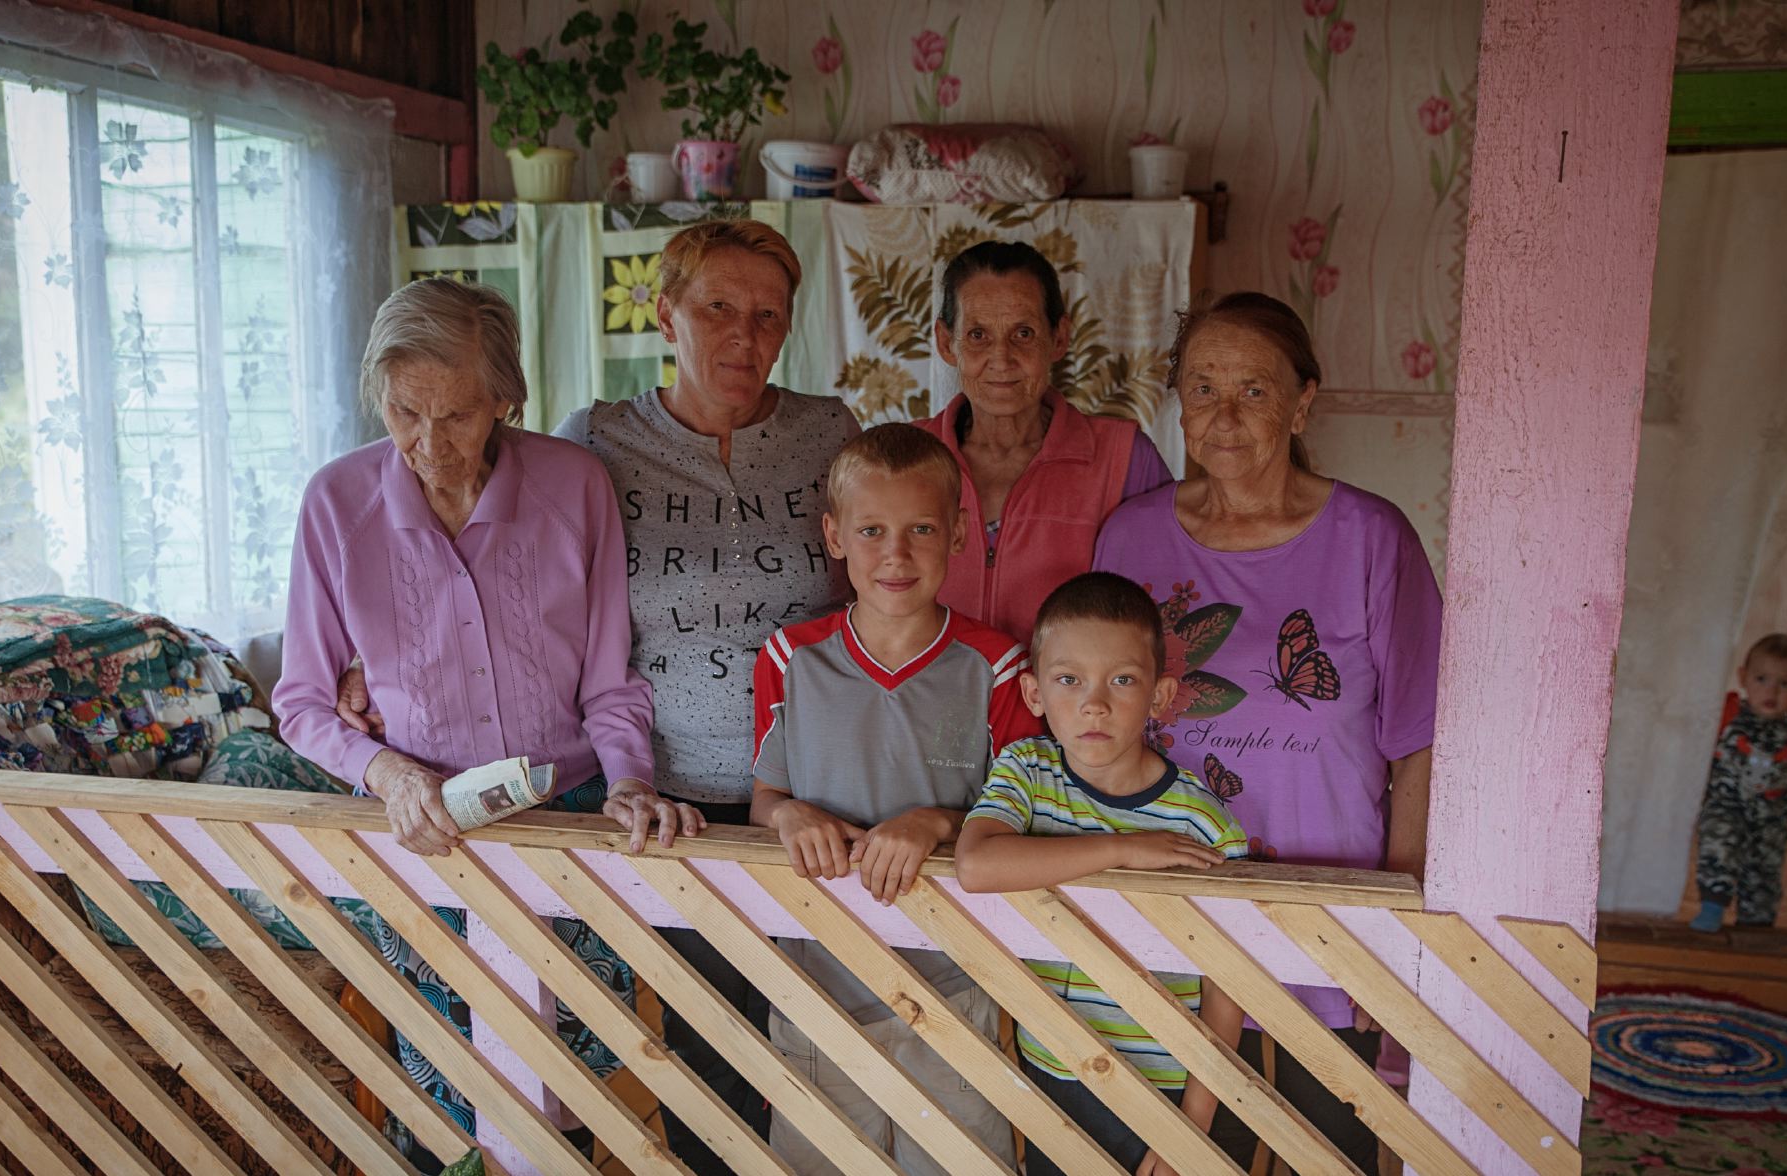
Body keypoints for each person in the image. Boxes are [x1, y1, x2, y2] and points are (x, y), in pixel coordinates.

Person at [336, 219, 857, 1174]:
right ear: (665, 315)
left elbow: (883, 575)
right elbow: (532, 599)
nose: (742, 334)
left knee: (840, 1038)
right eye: (716, 307)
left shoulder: (831, 433)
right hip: (668, 794)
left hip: (815, 792)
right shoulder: (599, 442)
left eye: (767, 315)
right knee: (710, 1054)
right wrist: (371, 668)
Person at [276, 277, 690, 1167]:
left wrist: (629, 780)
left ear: (506, 395)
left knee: (584, 1092)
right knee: (452, 1100)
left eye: (457, 415)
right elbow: (302, 703)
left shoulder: (574, 484)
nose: (429, 445)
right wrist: (388, 772)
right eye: (404, 413)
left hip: (565, 824)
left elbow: (609, 679)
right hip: (425, 832)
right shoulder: (336, 502)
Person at [1091, 292, 1441, 1174]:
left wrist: (1393, 922)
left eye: (1254, 389)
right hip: (1172, 913)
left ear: (1302, 402)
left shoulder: (1371, 537)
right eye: (1203, 388)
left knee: (1330, 1153)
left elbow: (1418, 740)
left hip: (1329, 920)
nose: (1225, 415)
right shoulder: (1131, 537)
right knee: (1187, 1155)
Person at [750, 424, 1038, 1174]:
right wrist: (788, 813)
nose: (896, 554)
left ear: (959, 534)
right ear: (834, 536)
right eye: (872, 530)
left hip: (958, 980)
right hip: (818, 972)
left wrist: (937, 821)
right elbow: (765, 799)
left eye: (921, 530)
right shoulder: (790, 657)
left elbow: (1027, 818)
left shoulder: (998, 665)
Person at [956, 571, 1250, 1176]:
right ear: (1034, 694)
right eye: (1069, 680)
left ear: (1160, 696)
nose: (1094, 704)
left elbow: (1228, 991)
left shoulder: (1202, 822)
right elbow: (977, 864)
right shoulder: (1027, 771)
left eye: (1122, 680)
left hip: (1161, 1090)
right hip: (1050, 1065)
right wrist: (1122, 850)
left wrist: (1190, 1131)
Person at [915, 240, 1173, 642]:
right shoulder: (906, 458)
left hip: (1072, 687)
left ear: (1059, 337)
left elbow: (1166, 611)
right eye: (978, 334)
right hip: (928, 686)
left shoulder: (1124, 460)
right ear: (947, 343)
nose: (1002, 358)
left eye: (1023, 333)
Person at [1689, 633, 1787, 932]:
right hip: (1725, 807)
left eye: (1786, 684)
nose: (1771, 690)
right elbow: (1695, 742)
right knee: (1718, 848)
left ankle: (1756, 926)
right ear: (1743, 678)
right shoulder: (1728, 711)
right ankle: (1712, 906)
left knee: (1763, 873)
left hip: (1771, 822)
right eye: (1761, 679)